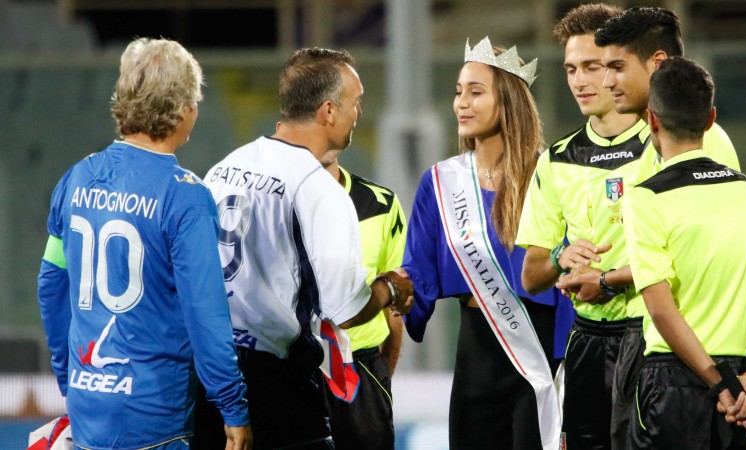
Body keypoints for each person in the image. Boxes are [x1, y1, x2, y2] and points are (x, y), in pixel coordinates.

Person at [36, 37, 252, 450]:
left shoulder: (76, 178)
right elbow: (205, 314)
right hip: (155, 420)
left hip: (88, 409)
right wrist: (233, 407)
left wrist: (69, 378)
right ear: (183, 110)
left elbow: (51, 284)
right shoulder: (185, 196)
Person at [195, 47, 413, 449]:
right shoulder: (320, 190)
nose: (358, 112)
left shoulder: (224, 168)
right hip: (277, 382)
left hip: (211, 373)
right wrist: (390, 289)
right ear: (328, 111)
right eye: (355, 102)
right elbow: (344, 310)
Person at [556, 7, 745, 446]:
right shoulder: (653, 138)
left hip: (689, 353)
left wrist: (607, 279)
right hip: (644, 340)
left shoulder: (702, 143)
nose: (604, 82)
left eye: (615, 68)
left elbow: (696, 258)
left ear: (656, 65)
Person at [401, 37, 570, 450]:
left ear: (508, 102)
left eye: (476, 92)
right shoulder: (441, 183)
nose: (462, 103)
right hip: (475, 352)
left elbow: (568, 274)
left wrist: (570, 368)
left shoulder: (551, 176)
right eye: (458, 92)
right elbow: (416, 276)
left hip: (540, 355)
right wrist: (390, 295)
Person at [623, 56, 746, 449]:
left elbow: (661, 308)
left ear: (651, 120)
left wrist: (717, 381)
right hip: (743, 391)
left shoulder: (645, 199)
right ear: (710, 118)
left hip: (675, 382)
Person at [517, 4, 651, 449]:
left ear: (620, 68)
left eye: (592, 67)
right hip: (587, 342)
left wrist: (610, 282)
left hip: (653, 336)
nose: (578, 80)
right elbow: (532, 275)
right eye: (571, 69)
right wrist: (560, 256)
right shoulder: (555, 161)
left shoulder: (666, 145)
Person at [319, 150, 406, 449]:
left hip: (363, 369)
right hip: (294, 368)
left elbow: (395, 297)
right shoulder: (272, 201)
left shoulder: (381, 204)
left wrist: (381, 374)